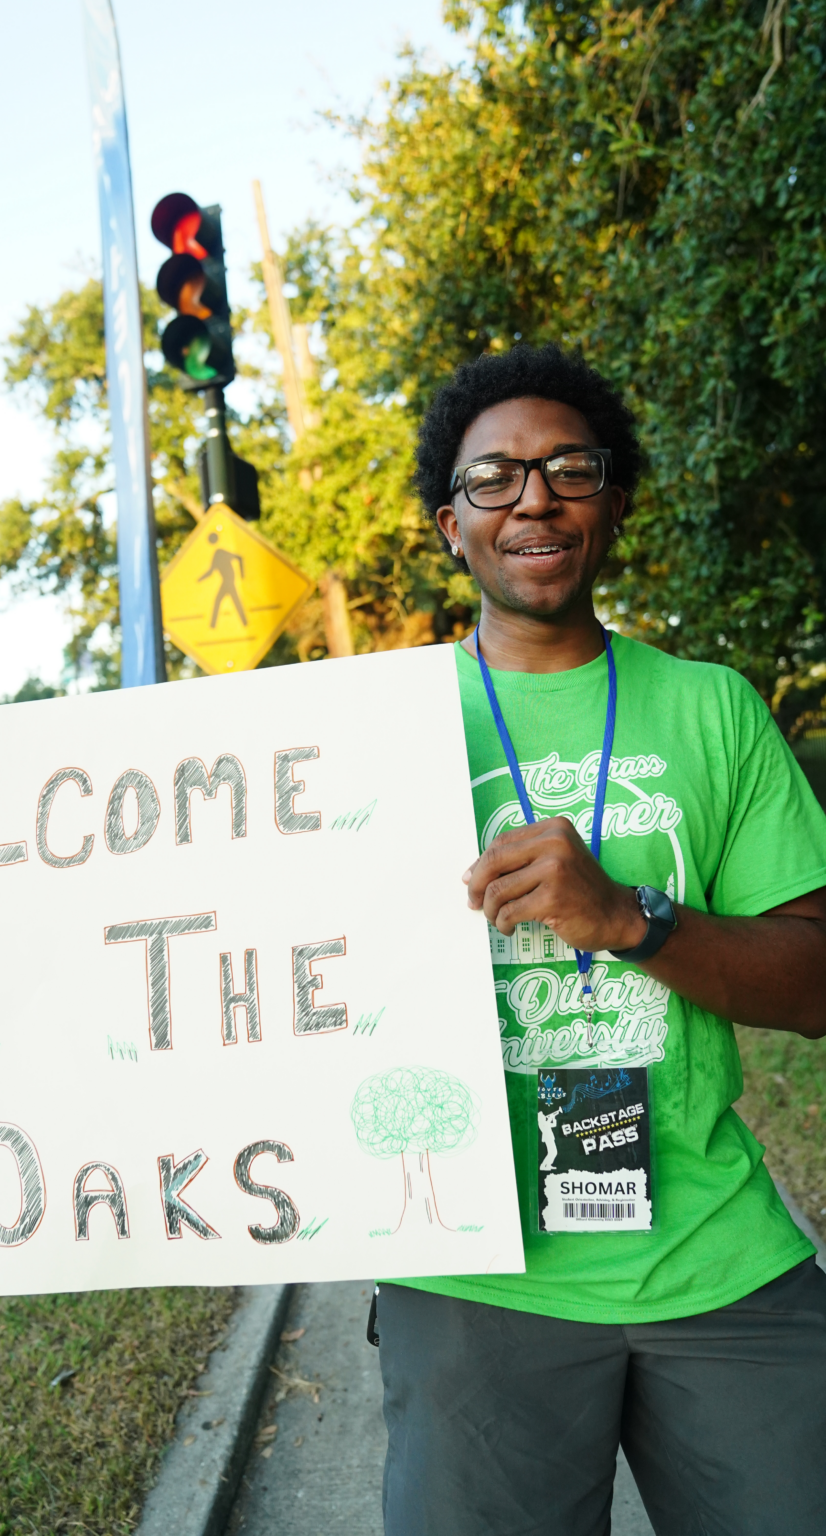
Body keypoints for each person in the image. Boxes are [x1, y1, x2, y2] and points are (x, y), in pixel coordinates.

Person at [375, 344, 826, 1536]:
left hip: (714, 1259)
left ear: (613, 503)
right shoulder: (367, 731)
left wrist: (629, 919)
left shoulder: (711, 707)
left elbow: (817, 981)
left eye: (570, 468)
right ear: (448, 524)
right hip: (472, 1275)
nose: (534, 496)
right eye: (495, 479)